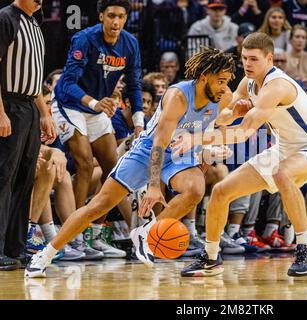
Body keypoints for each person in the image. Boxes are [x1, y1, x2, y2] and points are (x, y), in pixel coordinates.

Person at [25, 47, 235, 278]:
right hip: (148, 150)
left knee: (195, 189)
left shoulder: (223, 97)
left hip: (180, 153)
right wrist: (154, 186)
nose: (225, 87)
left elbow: (213, 128)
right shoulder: (178, 96)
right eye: (221, 81)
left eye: (227, 82)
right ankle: (45, 254)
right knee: (97, 206)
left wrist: (207, 151)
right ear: (204, 76)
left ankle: (147, 232)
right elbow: (158, 143)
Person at [176, 32, 307, 277]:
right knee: (220, 191)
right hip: (282, 148)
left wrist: (195, 138)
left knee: (283, 174)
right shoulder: (247, 83)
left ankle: (304, 250)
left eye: (253, 59)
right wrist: (233, 113)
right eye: (244, 58)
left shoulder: (277, 86)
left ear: (269, 59)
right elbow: (225, 117)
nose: (247, 64)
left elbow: (244, 133)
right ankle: (211, 257)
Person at [51, 0, 145, 258]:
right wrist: (95, 102)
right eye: (111, 16)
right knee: (83, 163)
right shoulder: (84, 39)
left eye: (121, 17)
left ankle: (92, 231)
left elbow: (134, 86)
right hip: (70, 104)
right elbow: (67, 83)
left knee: (115, 170)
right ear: (101, 16)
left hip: (97, 108)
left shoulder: (130, 44)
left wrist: (139, 123)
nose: (116, 22)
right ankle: (72, 235)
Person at [0, 0, 56, 271]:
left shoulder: (35, 24)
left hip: (30, 107)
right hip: (8, 105)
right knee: (4, 177)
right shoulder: (6, 18)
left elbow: (35, 76)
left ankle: (15, 247)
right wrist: (0, 113)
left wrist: (44, 113)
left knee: (25, 178)